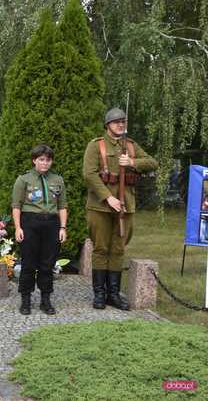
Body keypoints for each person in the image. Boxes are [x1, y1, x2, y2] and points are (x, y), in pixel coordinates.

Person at [83, 108, 158, 310]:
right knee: (101, 248)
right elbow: (89, 174)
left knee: (118, 248)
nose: (120, 125)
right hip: (100, 207)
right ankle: (99, 294)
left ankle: (113, 294)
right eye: (116, 122)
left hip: (126, 205)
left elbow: (152, 162)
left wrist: (132, 162)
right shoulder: (96, 145)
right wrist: (108, 198)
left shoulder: (131, 146)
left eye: (123, 121)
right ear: (107, 125)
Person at [12, 145, 68, 315]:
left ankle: (45, 299)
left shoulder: (58, 180)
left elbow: (62, 206)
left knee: (47, 264)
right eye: (41, 159)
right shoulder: (23, 180)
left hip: (51, 224)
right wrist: (18, 227)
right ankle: (26, 299)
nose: (45, 163)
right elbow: (16, 206)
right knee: (28, 263)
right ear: (34, 160)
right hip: (30, 222)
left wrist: (62, 227)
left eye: (48, 160)